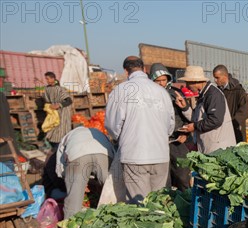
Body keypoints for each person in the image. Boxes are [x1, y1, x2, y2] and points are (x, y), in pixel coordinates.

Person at [105, 56, 174, 203]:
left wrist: (121, 138)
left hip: (134, 155)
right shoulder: (161, 92)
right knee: (159, 200)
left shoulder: (120, 91)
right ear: (144, 69)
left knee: (139, 203)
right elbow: (170, 125)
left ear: (125, 71)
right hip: (160, 154)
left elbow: (112, 125)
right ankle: (161, 225)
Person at [149, 63, 193, 190]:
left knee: (183, 175)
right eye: (158, 81)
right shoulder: (149, 97)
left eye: (164, 80)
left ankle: (186, 200)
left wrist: (185, 133)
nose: (161, 83)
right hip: (158, 142)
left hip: (177, 141)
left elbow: (187, 117)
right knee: (163, 178)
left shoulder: (176, 94)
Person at [56, 126, 114, 218]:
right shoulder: (99, 133)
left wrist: (68, 179)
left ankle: (70, 226)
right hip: (103, 153)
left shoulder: (67, 137)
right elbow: (112, 151)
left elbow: (61, 166)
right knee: (110, 189)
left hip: (77, 154)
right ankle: (114, 219)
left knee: (74, 196)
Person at [178, 66, 236, 154]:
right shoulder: (204, 94)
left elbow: (215, 120)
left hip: (219, 149)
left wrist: (194, 126)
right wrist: (185, 108)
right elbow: (197, 118)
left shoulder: (213, 95)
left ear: (195, 82)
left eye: (188, 83)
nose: (186, 86)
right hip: (210, 146)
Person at [212, 65, 248, 143]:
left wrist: (232, 123)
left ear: (225, 76)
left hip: (235, 128)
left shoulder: (238, 91)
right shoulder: (218, 91)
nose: (215, 80)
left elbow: (245, 110)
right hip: (222, 129)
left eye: (217, 78)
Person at [43, 71, 74, 147]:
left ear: (53, 78)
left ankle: (64, 144)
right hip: (54, 112)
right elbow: (47, 100)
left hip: (63, 111)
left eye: (48, 79)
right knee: (53, 127)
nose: (47, 81)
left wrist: (59, 105)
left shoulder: (60, 89)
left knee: (62, 128)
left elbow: (69, 100)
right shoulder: (47, 89)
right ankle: (55, 145)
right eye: (46, 79)